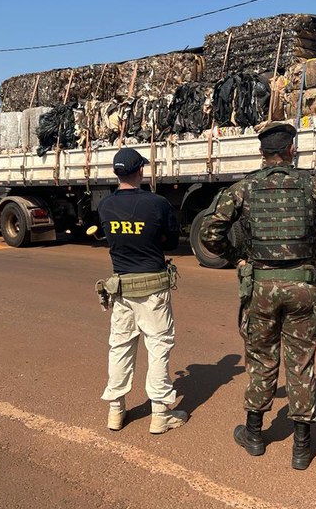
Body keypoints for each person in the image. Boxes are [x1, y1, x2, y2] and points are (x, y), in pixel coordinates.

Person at [200, 122, 316, 470]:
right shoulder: (313, 185)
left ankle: (255, 434)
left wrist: (236, 258)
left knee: (261, 360)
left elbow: (209, 232)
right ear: (291, 150)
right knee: (301, 364)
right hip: (304, 286)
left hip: (260, 287)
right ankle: (301, 447)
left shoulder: (243, 189)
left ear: (262, 153)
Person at [97, 147, 187, 434]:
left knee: (120, 348)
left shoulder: (106, 206)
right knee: (158, 347)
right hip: (153, 291)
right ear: (140, 171)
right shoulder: (157, 203)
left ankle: (116, 411)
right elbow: (171, 242)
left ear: (116, 173)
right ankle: (160, 414)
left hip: (122, 289)